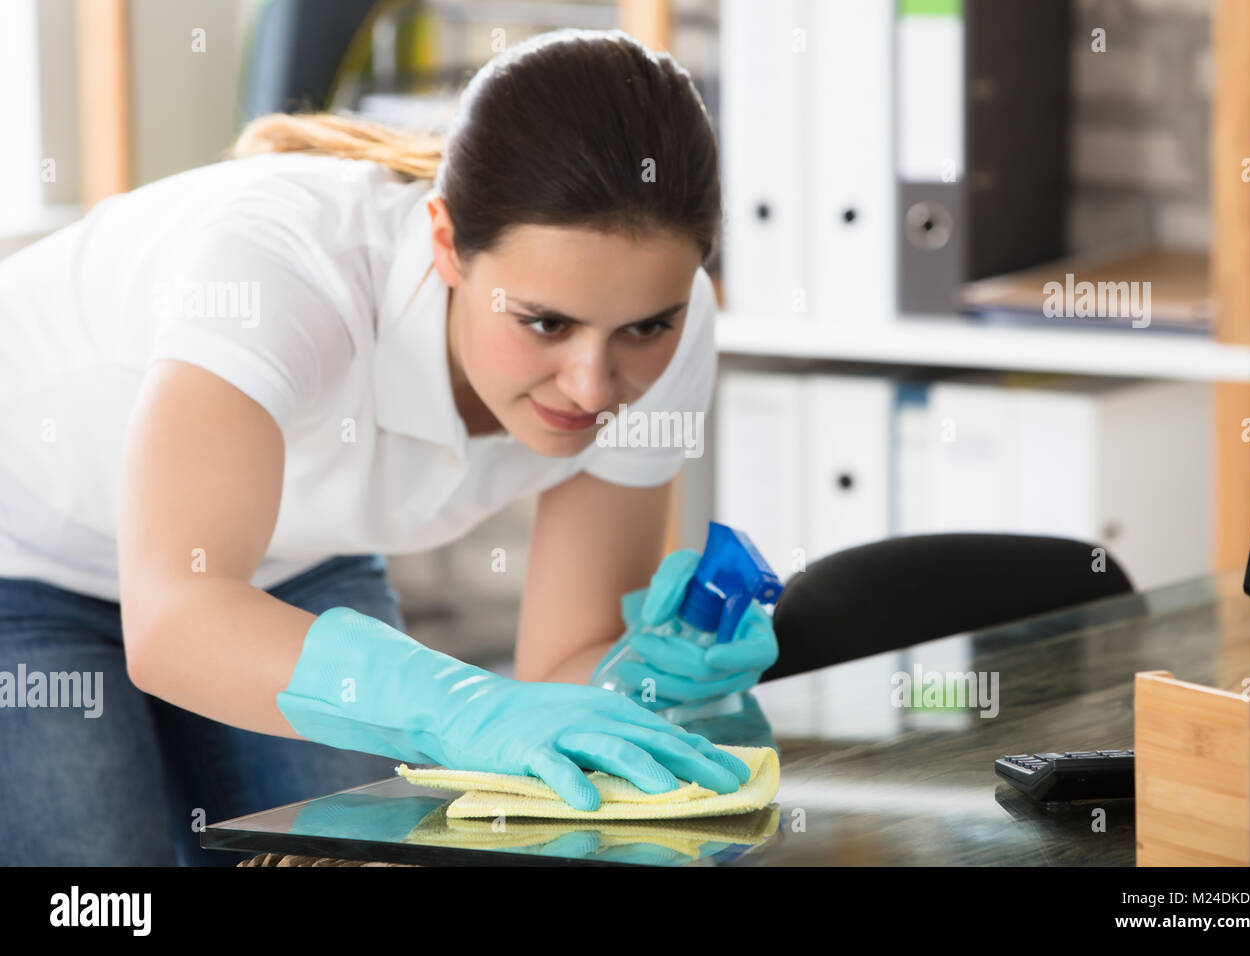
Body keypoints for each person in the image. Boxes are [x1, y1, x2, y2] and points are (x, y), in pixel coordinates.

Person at [0, 28, 778, 866]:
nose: (594, 385)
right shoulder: (282, 267)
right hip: (25, 559)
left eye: (643, 328)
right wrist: (464, 705)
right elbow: (179, 619)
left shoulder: (676, 315)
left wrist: (651, 674)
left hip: (291, 554)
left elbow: (561, 661)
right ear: (446, 244)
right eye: (545, 323)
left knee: (373, 854)